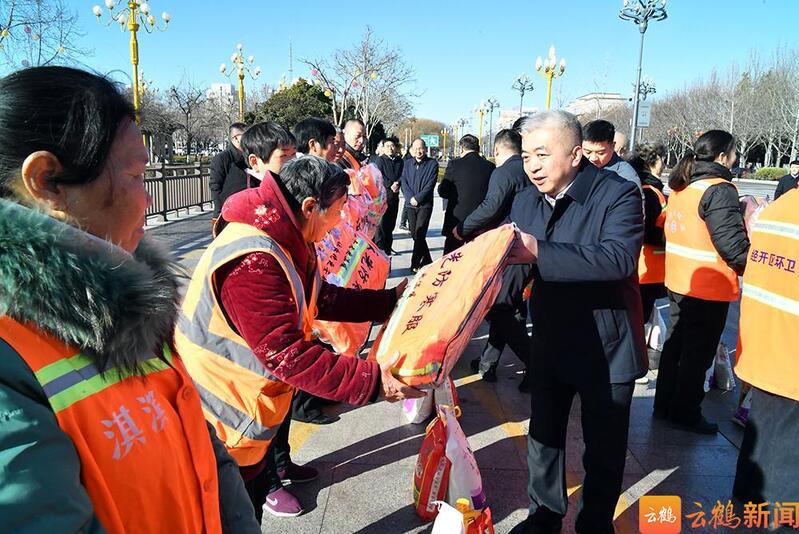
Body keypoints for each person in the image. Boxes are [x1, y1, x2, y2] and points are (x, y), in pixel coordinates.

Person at [0, 66, 259, 533]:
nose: (146, 199)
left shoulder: (127, 301)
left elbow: (205, 456)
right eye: (138, 175)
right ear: (47, 181)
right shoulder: (10, 358)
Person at [175, 154, 422, 520]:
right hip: (220, 422)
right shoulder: (254, 258)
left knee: (249, 503)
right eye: (338, 210)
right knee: (232, 515)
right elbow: (288, 354)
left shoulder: (289, 235)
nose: (341, 221)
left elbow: (320, 298)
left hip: (249, 414)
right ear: (309, 206)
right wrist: (373, 381)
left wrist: (389, 302)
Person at [506, 111, 646, 534]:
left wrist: (539, 251)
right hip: (550, 337)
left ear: (577, 153)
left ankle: (594, 523)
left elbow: (618, 258)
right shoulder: (526, 198)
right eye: (527, 155)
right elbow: (513, 267)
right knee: (543, 439)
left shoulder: (618, 194)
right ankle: (543, 518)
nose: (532, 165)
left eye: (543, 155)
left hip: (606, 345)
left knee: (603, 450)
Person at [654, 130, 750, 435]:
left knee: (676, 345)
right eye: (734, 153)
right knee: (697, 353)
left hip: (682, 279)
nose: (735, 158)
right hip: (710, 284)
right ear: (723, 156)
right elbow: (732, 246)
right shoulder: (720, 189)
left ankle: (665, 405)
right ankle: (685, 411)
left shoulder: (685, 186)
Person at [733, 187, 799, 507]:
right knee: (787, 460)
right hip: (792, 360)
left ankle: (745, 509)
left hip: (763, 346)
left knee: (759, 438)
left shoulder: (775, 209)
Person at [462, 129, 533, 390]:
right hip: (533, 248)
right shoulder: (530, 169)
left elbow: (491, 208)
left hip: (515, 249)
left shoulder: (504, 171)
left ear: (498, 150)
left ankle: (535, 363)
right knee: (509, 308)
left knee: (500, 308)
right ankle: (488, 363)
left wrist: (464, 228)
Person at [627, 143, 668, 326]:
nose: (664, 164)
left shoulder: (640, 186)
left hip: (643, 267)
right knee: (638, 320)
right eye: (662, 159)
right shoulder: (649, 192)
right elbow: (648, 230)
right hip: (646, 268)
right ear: (654, 160)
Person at [438, 134, 495, 254]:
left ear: (461, 148)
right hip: (480, 220)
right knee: (475, 259)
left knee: (451, 259)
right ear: (478, 148)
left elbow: (443, 191)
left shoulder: (455, 164)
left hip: (456, 220)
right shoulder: (489, 166)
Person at [400, 138, 439, 271]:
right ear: (411, 150)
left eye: (421, 148)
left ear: (425, 148)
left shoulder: (432, 163)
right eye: (416, 148)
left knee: (420, 233)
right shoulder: (407, 163)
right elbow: (403, 182)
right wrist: (410, 198)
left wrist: (418, 198)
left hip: (425, 205)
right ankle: (427, 260)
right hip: (410, 204)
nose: (418, 151)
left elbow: (431, 184)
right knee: (414, 234)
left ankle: (415, 263)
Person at [582, 119, 641, 190]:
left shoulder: (626, 177)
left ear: (613, 146)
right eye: (588, 152)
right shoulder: (575, 166)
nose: (593, 158)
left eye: (600, 153)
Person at [209, 122, 249, 219]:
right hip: (228, 213)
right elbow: (215, 187)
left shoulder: (250, 157)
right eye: (246, 136)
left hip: (248, 210)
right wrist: (221, 212)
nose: (249, 139)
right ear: (235, 138)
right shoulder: (221, 159)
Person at [373, 137, 404, 255]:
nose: (390, 148)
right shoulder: (380, 160)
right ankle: (379, 252)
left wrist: (398, 183)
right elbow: (378, 175)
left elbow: (403, 174)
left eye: (392, 146)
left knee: (390, 225)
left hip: (394, 197)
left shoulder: (399, 161)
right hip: (383, 196)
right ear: (384, 148)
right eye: (387, 146)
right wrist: (390, 184)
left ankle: (388, 251)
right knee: (381, 226)